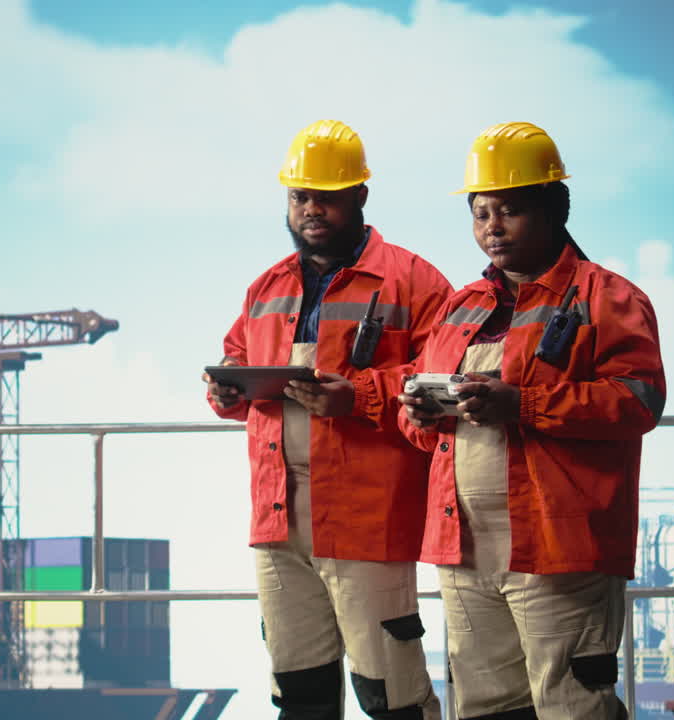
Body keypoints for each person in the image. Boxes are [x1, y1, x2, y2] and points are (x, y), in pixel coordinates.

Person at [397, 121, 666, 719]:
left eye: (510, 210)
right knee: (485, 707)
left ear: (554, 209)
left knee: (574, 703)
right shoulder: (459, 306)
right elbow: (421, 429)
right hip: (464, 547)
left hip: (559, 545)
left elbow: (638, 401)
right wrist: (418, 412)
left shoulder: (609, 299)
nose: (492, 227)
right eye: (480, 212)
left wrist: (523, 404)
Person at [206, 119, 450, 720]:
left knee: (392, 697)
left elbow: (444, 377)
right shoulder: (266, 288)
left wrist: (361, 395)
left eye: (326, 196)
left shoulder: (413, 282)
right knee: (300, 696)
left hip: (365, 520)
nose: (310, 209)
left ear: (360, 196)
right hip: (277, 520)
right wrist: (226, 391)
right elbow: (236, 359)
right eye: (299, 196)